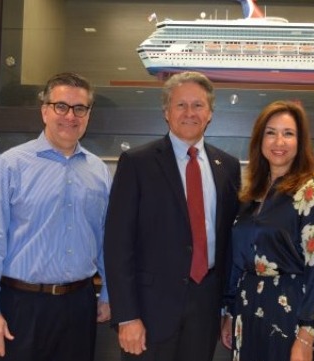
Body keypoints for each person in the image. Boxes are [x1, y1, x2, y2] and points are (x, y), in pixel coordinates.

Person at [0, 72, 111, 361]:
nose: (70, 116)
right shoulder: (11, 165)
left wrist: (108, 292)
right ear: (44, 110)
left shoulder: (99, 171)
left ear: (88, 115)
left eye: (79, 109)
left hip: (79, 305)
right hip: (21, 306)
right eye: (61, 106)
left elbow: (106, 238)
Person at [104, 71, 241, 361]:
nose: (189, 113)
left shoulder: (227, 167)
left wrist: (228, 308)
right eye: (180, 105)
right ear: (166, 112)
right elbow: (118, 245)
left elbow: (230, 244)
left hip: (205, 310)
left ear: (210, 113)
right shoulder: (137, 163)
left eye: (198, 105)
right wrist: (127, 316)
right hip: (149, 312)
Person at [220, 100, 314, 361]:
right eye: (271, 132)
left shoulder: (312, 194)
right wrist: (230, 312)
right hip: (248, 312)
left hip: (292, 316)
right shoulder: (250, 195)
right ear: (259, 140)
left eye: (288, 134)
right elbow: (237, 261)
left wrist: (307, 336)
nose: (279, 142)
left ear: (300, 142)